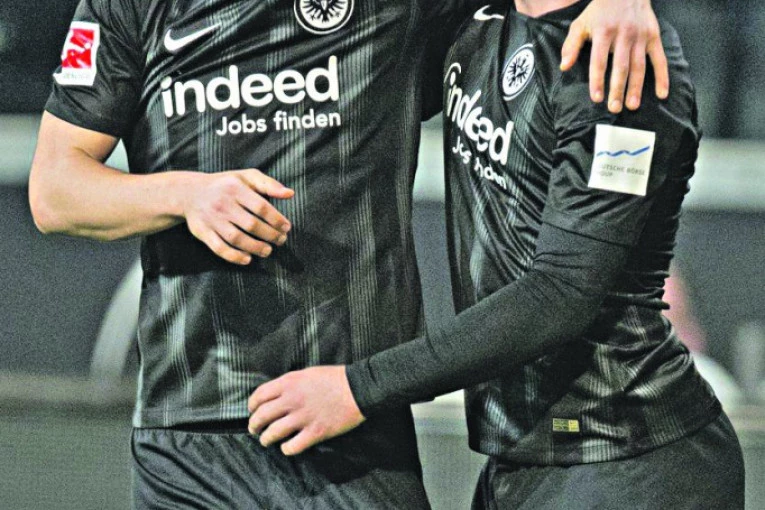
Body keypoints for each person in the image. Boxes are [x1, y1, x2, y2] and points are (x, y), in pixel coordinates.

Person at [29, 0, 670, 507]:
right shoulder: (130, 6)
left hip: (349, 420)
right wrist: (186, 196)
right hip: (187, 431)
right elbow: (56, 190)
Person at [246, 0, 747, 508]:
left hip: (630, 457)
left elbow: (562, 292)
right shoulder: (476, 20)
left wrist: (358, 389)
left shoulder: (618, 57)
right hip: (521, 463)